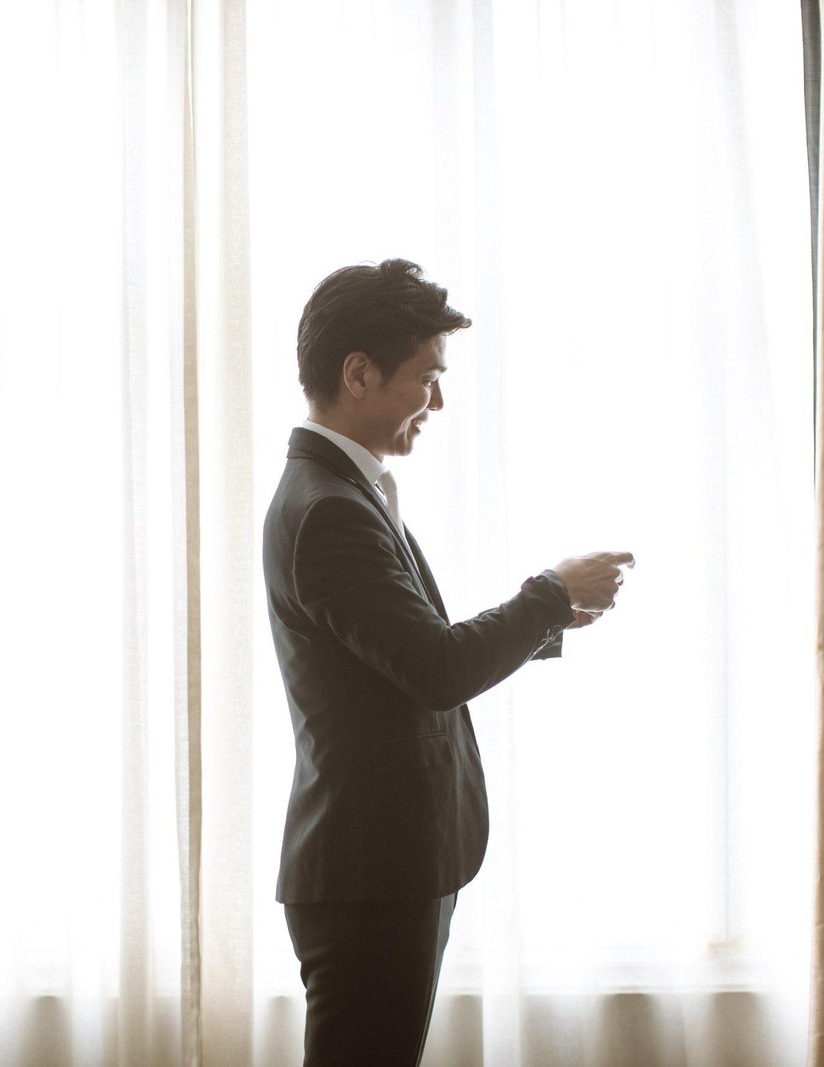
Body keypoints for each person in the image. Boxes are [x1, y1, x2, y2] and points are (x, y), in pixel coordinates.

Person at [262, 258, 633, 1066]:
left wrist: (548, 616)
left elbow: (404, 659)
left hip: (380, 868)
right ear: (358, 373)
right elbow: (435, 667)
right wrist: (546, 591)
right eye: (427, 377)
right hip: (370, 873)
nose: (437, 401)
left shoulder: (342, 492)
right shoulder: (329, 509)